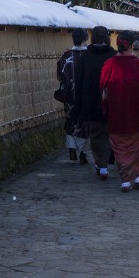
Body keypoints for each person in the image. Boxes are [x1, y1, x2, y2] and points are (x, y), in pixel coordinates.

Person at [100, 30, 139, 192]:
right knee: (134, 143)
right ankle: (134, 177)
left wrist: (106, 107)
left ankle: (126, 180)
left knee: (119, 145)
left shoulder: (109, 64)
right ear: (132, 45)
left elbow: (103, 89)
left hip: (115, 112)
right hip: (134, 110)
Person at [71, 25, 117, 179]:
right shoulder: (113, 56)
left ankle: (100, 163)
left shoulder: (86, 57)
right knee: (110, 132)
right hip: (111, 102)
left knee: (96, 135)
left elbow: (79, 82)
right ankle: (105, 161)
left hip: (90, 103)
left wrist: (78, 106)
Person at [56, 28, 90, 163]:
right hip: (86, 95)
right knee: (84, 123)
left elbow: (60, 76)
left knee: (70, 120)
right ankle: (82, 152)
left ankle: (71, 147)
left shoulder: (66, 56)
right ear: (85, 39)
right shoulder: (89, 55)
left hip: (69, 94)